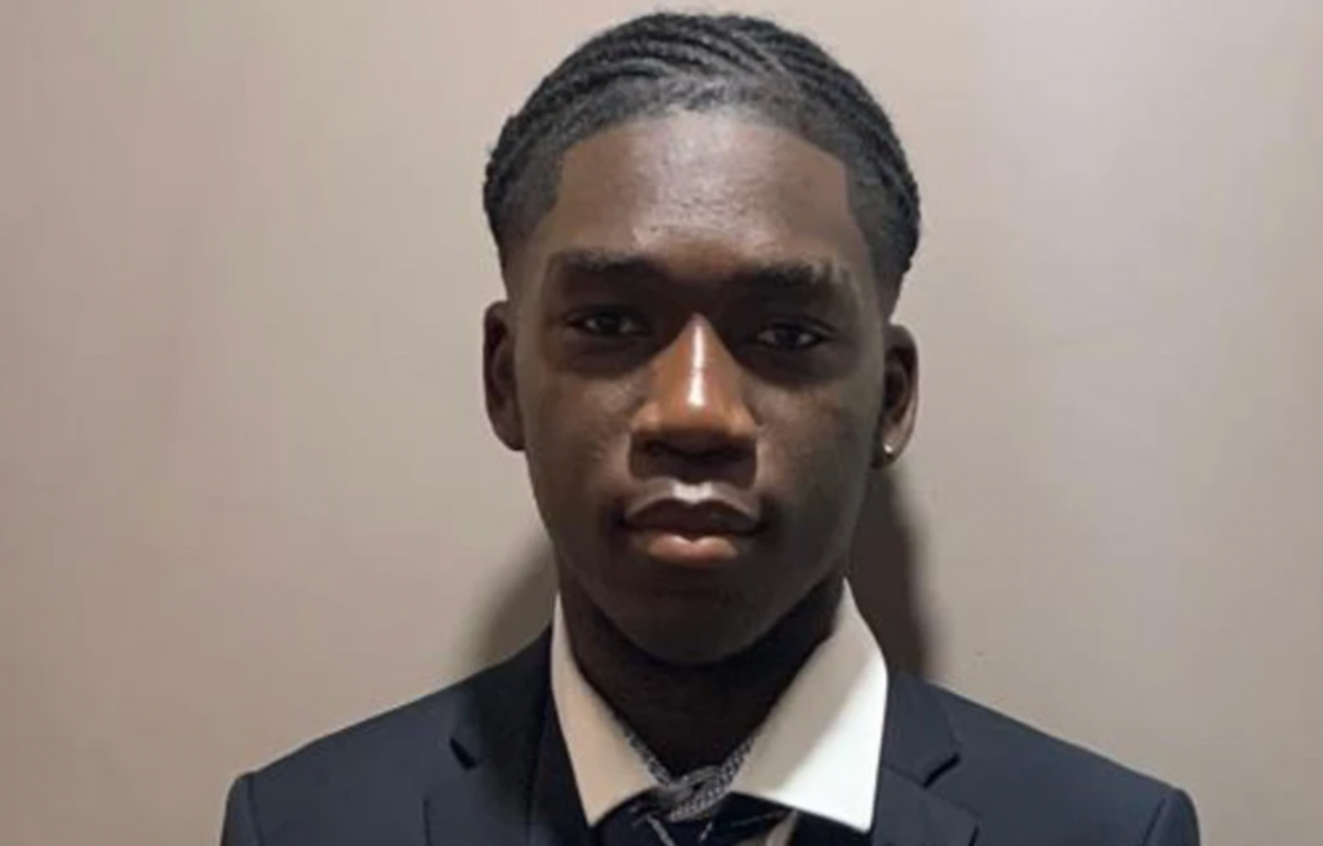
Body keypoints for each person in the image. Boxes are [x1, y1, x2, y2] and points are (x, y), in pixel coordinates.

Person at [220, 12, 1198, 846]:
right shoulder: (309, 823)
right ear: (504, 378)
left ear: (890, 399)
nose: (695, 411)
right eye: (609, 323)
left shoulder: (1108, 833)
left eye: (783, 332)